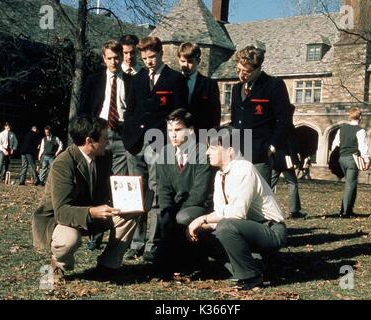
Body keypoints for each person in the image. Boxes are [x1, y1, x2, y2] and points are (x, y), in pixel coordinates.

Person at [32, 116, 140, 283]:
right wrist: (92, 212)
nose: (107, 143)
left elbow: (107, 190)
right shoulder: (63, 164)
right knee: (69, 240)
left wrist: (131, 195)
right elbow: (61, 212)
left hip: (93, 214)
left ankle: (108, 265)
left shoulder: (104, 156)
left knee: (131, 214)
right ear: (89, 141)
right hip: (61, 220)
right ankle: (58, 264)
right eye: (104, 139)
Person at [187, 127, 287, 290]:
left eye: (212, 148)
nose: (207, 153)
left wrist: (202, 218)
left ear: (230, 150)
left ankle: (252, 276)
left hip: (271, 230)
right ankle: (252, 266)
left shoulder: (244, 169)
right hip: (247, 227)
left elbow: (236, 214)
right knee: (204, 232)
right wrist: (199, 227)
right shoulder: (220, 175)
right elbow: (220, 212)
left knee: (226, 227)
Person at [122, 36, 188, 262]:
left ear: (160, 54)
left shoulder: (175, 79)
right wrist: (128, 137)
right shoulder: (137, 79)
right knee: (136, 196)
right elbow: (129, 110)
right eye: (144, 58)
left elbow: (180, 114)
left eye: (152, 57)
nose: (148, 62)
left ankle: (153, 244)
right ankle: (136, 242)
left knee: (158, 195)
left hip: (160, 144)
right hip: (136, 144)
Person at [155, 108, 213, 272]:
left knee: (182, 217)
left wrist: (174, 212)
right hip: (176, 207)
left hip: (199, 206)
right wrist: (166, 211)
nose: (173, 135)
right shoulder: (165, 152)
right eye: (170, 130)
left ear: (191, 130)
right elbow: (164, 189)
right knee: (164, 217)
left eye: (178, 130)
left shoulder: (202, 152)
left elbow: (200, 193)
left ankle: (195, 259)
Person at [230, 46, 291, 186]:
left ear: (258, 69)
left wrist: (272, 147)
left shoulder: (274, 85)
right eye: (238, 70)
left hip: (260, 153)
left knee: (260, 199)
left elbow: (284, 120)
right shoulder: (236, 88)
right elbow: (235, 120)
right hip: (238, 152)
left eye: (246, 72)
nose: (241, 76)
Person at [80, 39, 130, 176]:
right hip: (99, 131)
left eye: (116, 58)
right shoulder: (93, 80)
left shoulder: (132, 81)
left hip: (122, 134)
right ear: (104, 58)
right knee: (99, 175)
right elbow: (84, 109)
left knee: (119, 180)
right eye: (109, 58)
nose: (113, 62)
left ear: (122, 57)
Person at [331, 107, 370, 218]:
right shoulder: (360, 131)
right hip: (353, 159)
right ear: (360, 117)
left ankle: (348, 209)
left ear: (350, 116)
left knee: (351, 184)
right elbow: (363, 147)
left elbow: (335, 145)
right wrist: (366, 160)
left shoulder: (341, 129)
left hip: (341, 158)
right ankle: (345, 212)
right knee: (350, 185)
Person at [270, 104, 305, 219]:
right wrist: (295, 160)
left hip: (275, 158)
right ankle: (294, 211)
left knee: (269, 184)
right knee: (292, 183)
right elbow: (291, 145)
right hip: (286, 160)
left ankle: (263, 208)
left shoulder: (274, 124)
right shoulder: (288, 126)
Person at [177, 42, 221, 130]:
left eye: (190, 61)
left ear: (198, 61)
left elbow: (215, 115)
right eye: (182, 61)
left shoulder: (210, 85)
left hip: (200, 134)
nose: (185, 65)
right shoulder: (171, 80)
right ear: (178, 59)